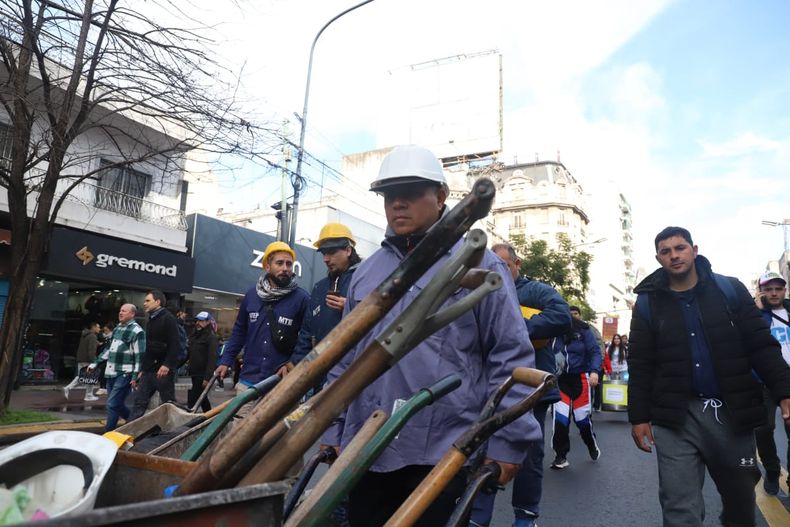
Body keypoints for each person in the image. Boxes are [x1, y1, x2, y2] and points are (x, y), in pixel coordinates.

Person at [321, 145, 542, 527]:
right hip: (365, 449)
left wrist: (507, 441)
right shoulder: (367, 273)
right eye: (390, 195)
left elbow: (509, 356)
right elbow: (345, 357)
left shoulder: (481, 264)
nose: (398, 204)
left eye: (411, 192)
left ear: (441, 197)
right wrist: (332, 427)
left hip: (442, 452)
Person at [629, 226, 790, 526]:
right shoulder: (648, 303)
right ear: (658, 258)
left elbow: (760, 345)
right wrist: (638, 416)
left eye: (680, 248)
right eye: (666, 251)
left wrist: (784, 391)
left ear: (694, 250)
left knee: (741, 504)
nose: (674, 255)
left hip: (731, 412)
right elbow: (640, 362)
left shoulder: (729, 290)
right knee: (679, 508)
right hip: (676, 417)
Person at [469, 243, 571, 527]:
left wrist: (516, 329)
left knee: (528, 454)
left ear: (517, 264)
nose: (499, 270)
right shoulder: (484, 289)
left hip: (532, 387)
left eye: (504, 264)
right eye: (493, 265)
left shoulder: (535, 291)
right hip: (489, 385)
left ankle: (525, 515)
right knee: (482, 448)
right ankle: (478, 515)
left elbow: (562, 316)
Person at [216, 241, 310, 395]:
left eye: (289, 264)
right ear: (267, 266)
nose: (285, 268)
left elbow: (306, 338)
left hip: (282, 384)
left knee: (280, 421)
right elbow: (239, 332)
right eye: (279, 263)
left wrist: (291, 363)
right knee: (242, 420)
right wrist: (226, 360)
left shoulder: (302, 299)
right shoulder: (251, 295)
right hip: (248, 382)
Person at [292, 223, 362, 392]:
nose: (326, 258)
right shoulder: (320, 288)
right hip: (318, 376)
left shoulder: (364, 279)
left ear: (348, 250)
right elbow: (307, 331)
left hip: (351, 375)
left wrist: (351, 308)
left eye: (331, 252)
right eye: (324, 253)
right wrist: (296, 362)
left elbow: (383, 320)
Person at [550, 305, 602, 469]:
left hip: (581, 378)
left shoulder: (585, 331)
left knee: (582, 420)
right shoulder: (553, 331)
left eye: (573, 314)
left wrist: (594, 372)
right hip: (560, 380)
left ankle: (591, 444)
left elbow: (595, 351)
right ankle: (560, 456)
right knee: (560, 419)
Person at [753, 270, 790, 495]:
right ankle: (773, 470)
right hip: (763, 381)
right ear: (761, 292)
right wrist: (756, 312)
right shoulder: (754, 314)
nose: (774, 293)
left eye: (778, 288)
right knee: (763, 430)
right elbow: (749, 340)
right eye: (769, 289)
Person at [88, 304, 145, 431]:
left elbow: (139, 357)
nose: (120, 313)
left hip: (125, 373)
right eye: (120, 310)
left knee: (112, 404)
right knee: (116, 405)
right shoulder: (118, 328)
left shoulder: (137, 331)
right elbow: (108, 349)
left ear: (132, 314)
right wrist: (95, 363)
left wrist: (135, 376)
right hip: (110, 373)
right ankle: (135, 424)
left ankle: (108, 433)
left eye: (124, 311)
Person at [130, 290, 180, 420]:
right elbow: (150, 348)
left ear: (157, 302)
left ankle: (172, 432)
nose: (144, 303)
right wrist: (143, 369)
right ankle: (129, 433)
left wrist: (167, 365)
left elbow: (175, 344)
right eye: (145, 301)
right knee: (139, 402)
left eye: (148, 301)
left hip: (163, 371)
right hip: (149, 370)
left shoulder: (168, 318)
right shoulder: (151, 320)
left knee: (168, 404)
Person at [185, 311, 218, 412]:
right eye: (197, 320)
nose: (198, 323)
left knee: (194, 398)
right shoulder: (194, 336)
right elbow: (188, 354)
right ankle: (208, 417)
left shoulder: (211, 337)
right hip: (194, 373)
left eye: (201, 321)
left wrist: (207, 377)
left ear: (207, 322)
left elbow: (212, 359)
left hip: (202, 374)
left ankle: (190, 419)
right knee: (202, 398)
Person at [63, 321, 100, 401]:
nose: (99, 329)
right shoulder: (93, 336)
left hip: (81, 358)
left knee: (81, 377)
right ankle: (89, 395)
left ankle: (68, 388)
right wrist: (94, 360)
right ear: (93, 327)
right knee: (90, 377)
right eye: (98, 327)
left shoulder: (85, 335)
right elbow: (91, 350)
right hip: (88, 360)